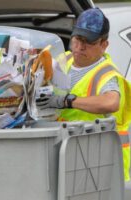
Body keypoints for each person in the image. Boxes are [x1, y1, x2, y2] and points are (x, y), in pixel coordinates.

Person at [36, 8, 131, 181]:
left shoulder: (108, 75)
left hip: (102, 170)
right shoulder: (64, 60)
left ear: (104, 45)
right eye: (78, 39)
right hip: (67, 160)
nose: (80, 47)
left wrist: (66, 101)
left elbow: (111, 102)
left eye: (89, 42)